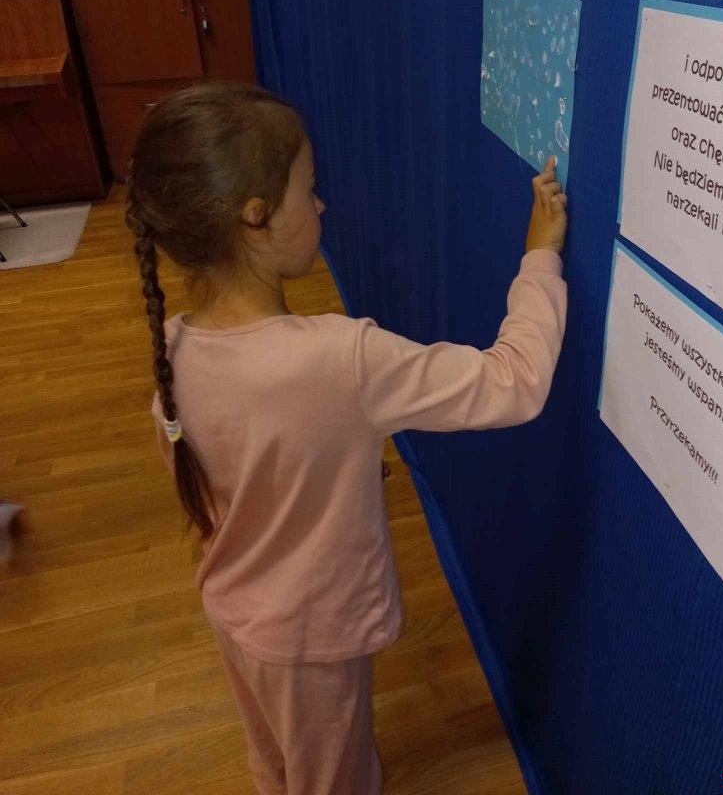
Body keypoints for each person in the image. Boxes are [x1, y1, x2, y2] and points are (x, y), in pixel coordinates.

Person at [124, 80, 568, 795]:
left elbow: (220, 476)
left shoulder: (174, 347)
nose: (322, 205)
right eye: (310, 189)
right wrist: (539, 258)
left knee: (275, 761)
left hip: (234, 615)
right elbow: (514, 382)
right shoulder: (343, 358)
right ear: (256, 218)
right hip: (311, 641)